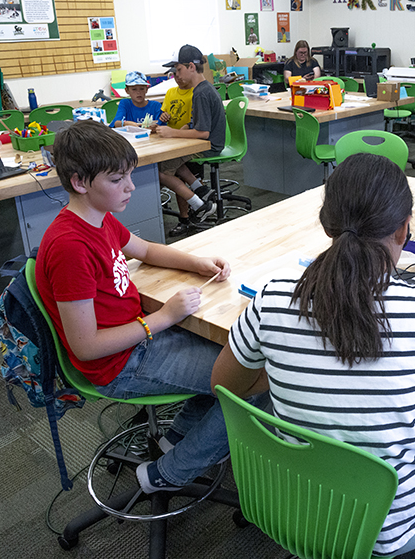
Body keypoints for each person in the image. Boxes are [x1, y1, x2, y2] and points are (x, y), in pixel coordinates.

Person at [211, 153, 415, 559]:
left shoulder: (271, 298)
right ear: (405, 230)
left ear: (325, 224)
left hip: (293, 499)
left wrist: (284, 364)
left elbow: (223, 384)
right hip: (388, 527)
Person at [35, 120, 257, 494]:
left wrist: (196, 261)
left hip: (138, 340)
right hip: (120, 363)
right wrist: (164, 317)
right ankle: (168, 473)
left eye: (130, 176)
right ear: (79, 183)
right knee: (252, 380)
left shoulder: (97, 219)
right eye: (118, 179)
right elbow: (85, 346)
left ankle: (177, 439)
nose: (131, 187)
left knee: (233, 355)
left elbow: (146, 250)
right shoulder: (70, 247)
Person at [158, 44, 224, 237]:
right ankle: (201, 190)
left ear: (191, 67)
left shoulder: (201, 93)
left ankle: (201, 205)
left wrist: (172, 133)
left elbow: (202, 133)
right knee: (174, 162)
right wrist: (177, 130)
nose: (176, 75)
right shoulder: (202, 89)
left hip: (208, 146)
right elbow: (195, 124)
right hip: (206, 143)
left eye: (179, 70)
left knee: (161, 171)